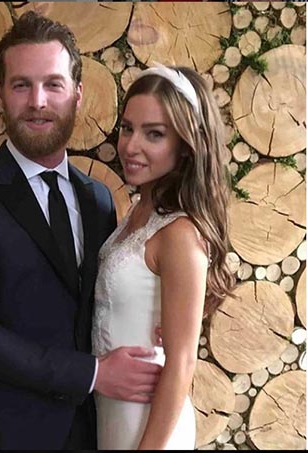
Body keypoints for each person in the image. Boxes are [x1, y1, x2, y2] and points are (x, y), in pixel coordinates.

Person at [0, 11, 161, 450]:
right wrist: (92, 374)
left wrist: (154, 320)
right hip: (15, 431)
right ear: (1, 93)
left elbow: (102, 300)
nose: (38, 101)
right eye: (22, 85)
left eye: (53, 84)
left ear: (77, 94)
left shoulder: (98, 199)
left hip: (102, 425)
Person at [92, 63, 237, 450]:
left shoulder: (180, 234)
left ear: (185, 146)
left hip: (149, 426)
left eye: (153, 133)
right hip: (112, 412)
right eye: (127, 128)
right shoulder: (137, 214)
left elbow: (183, 361)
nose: (130, 146)